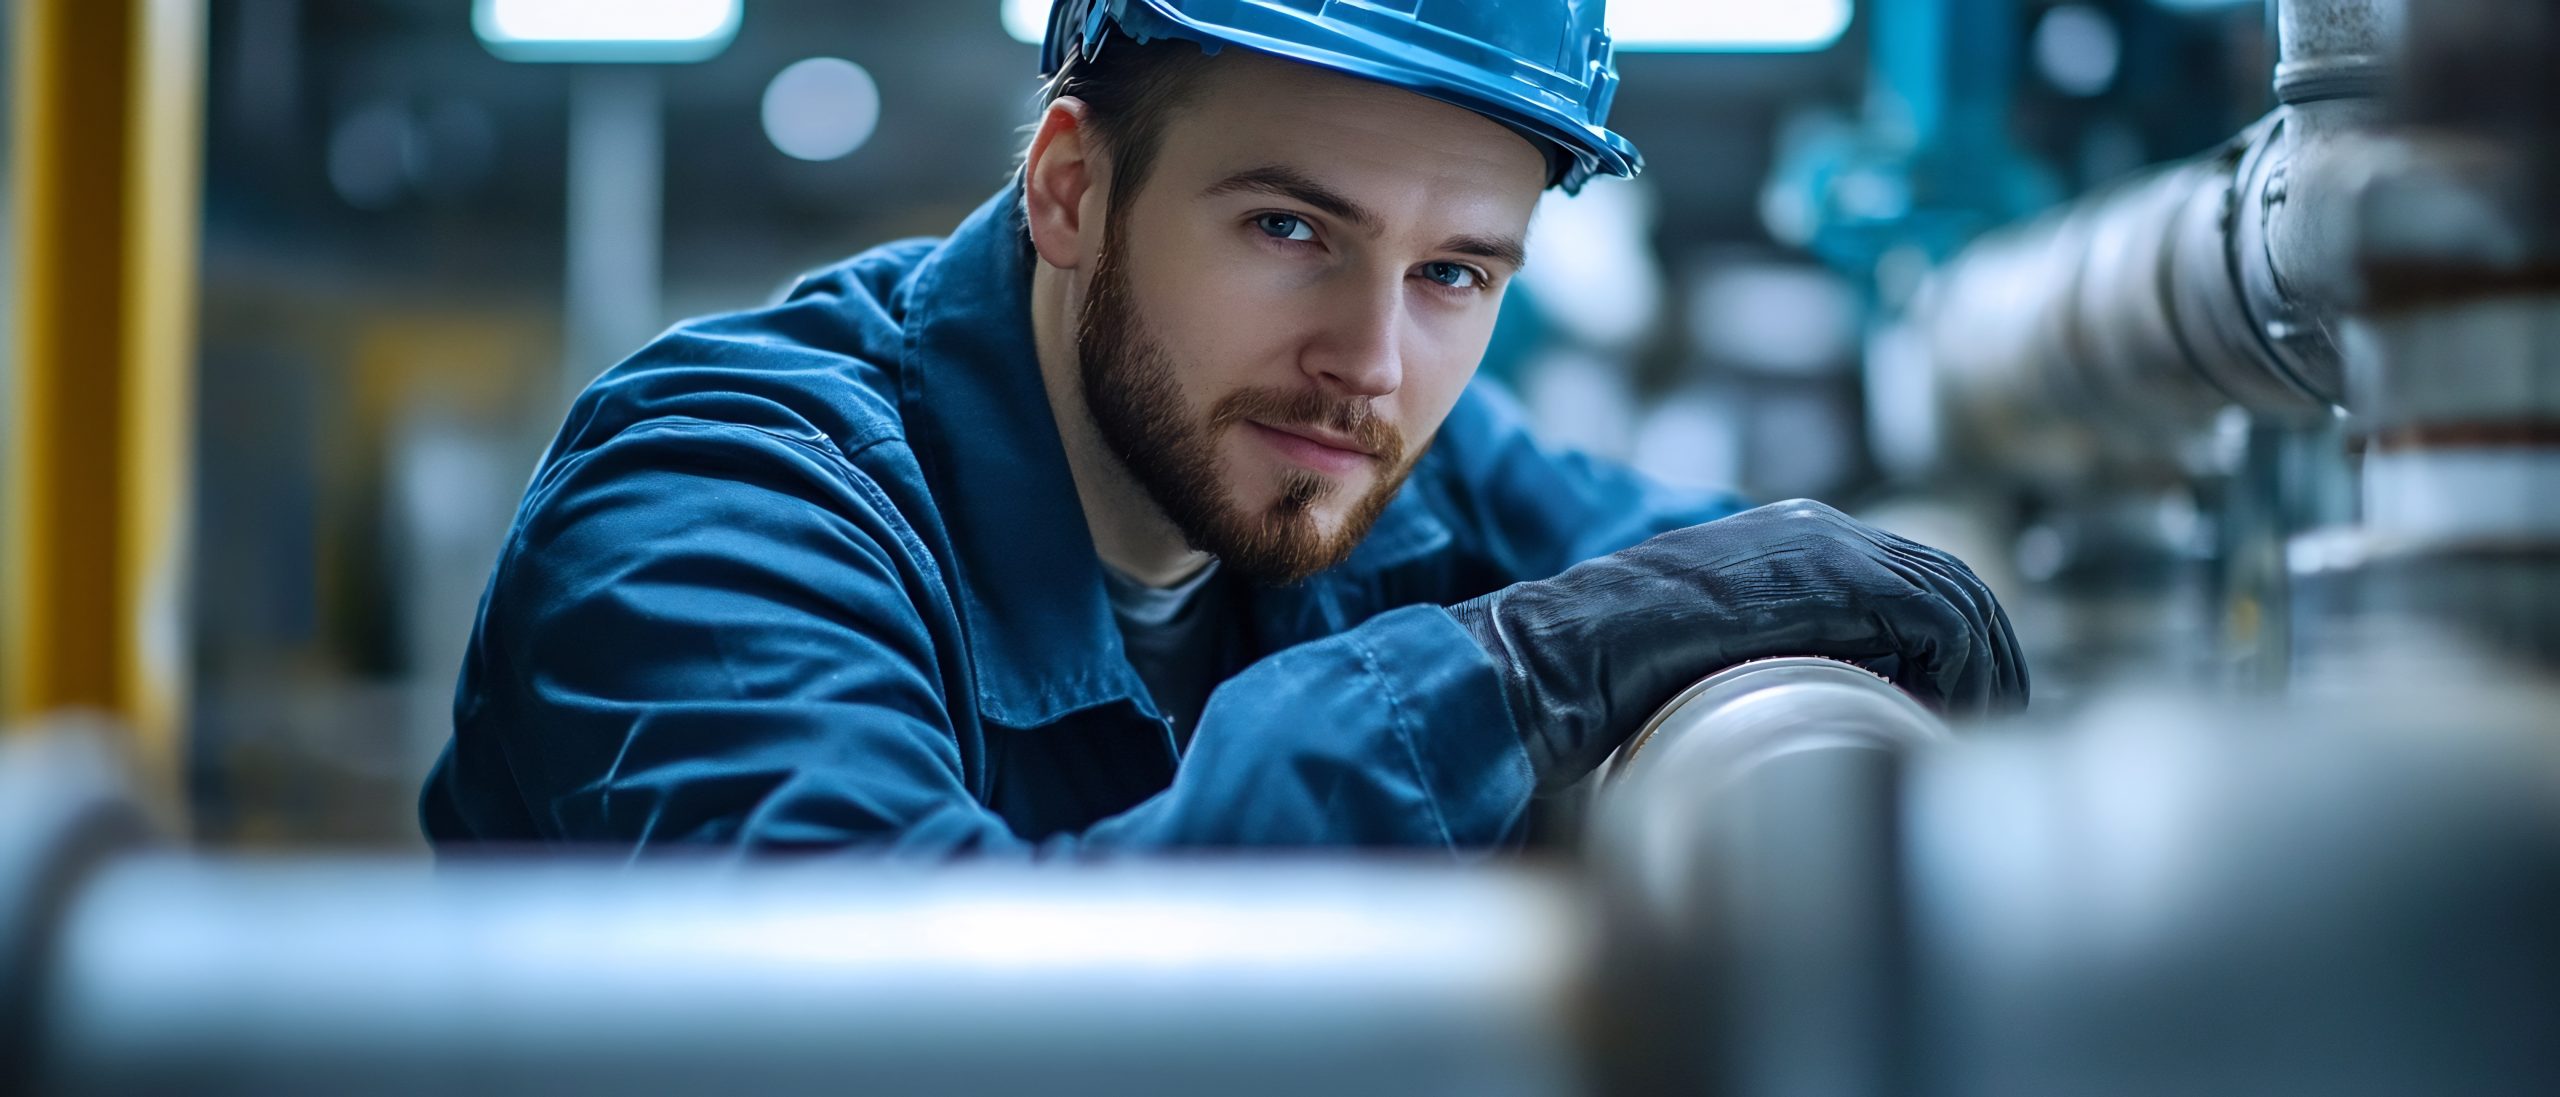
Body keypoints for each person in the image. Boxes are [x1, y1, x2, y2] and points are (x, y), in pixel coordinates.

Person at [420, 0, 2026, 854]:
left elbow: (1697, 578)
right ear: (1069, 185)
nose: (1370, 362)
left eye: (1455, 271)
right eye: (1289, 230)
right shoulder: (716, 512)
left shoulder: (1386, 461)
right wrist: (1480, 691)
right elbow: (917, 1025)